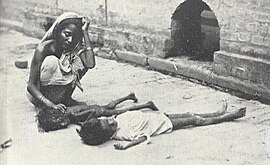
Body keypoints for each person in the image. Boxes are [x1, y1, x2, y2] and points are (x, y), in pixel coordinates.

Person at [77, 101, 246, 150]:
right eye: (109, 124)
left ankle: (217, 112)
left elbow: (110, 117)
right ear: (108, 135)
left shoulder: (115, 121)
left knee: (190, 114)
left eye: (107, 120)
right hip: (165, 123)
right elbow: (142, 137)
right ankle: (230, 116)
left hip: (158, 117)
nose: (111, 120)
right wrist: (127, 146)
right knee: (196, 121)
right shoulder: (124, 134)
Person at [27, 12, 95, 112]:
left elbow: (90, 63)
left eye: (74, 37)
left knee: (79, 62)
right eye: (67, 34)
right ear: (58, 31)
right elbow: (31, 86)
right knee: (52, 62)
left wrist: (85, 32)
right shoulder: (44, 49)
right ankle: (45, 105)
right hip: (38, 96)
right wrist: (50, 104)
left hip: (57, 96)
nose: (70, 40)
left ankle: (66, 99)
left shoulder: (72, 47)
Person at [37, 92, 158, 131]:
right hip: (95, 107)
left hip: (98, 111)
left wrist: (85, 124)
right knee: (112, 105)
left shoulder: (73, 116)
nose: (64, 125)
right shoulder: (64, 109)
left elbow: (90, 114)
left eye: (61, 123)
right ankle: (129, 96)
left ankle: (147, 105)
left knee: (121, 111)